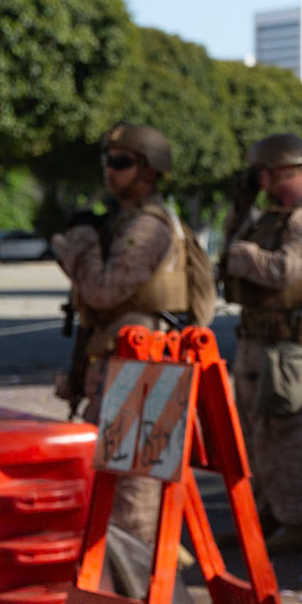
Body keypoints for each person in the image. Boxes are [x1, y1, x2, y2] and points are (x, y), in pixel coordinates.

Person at [51, 123, 193, 540]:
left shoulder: (148, 227)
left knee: (133, 489)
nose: (109, 172)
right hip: (118, 362)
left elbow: (102, 289)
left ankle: (136, 588)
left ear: (149, 170)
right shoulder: (121, 221)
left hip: (141, 364)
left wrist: (76, 246)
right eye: (106, 162)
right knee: (111, 481)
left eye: (121, 163)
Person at [222, 133, 302, 556]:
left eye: (259, 172)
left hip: (289, 344)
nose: (255, 180)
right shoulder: (271, 217)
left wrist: (242, 254)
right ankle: (267, 516)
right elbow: (228, 253)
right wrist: (240, 212)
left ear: (278, 171)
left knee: (283, 436)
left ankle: (297, 521)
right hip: (256, 339)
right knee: (254, 437)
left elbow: (284, 272)